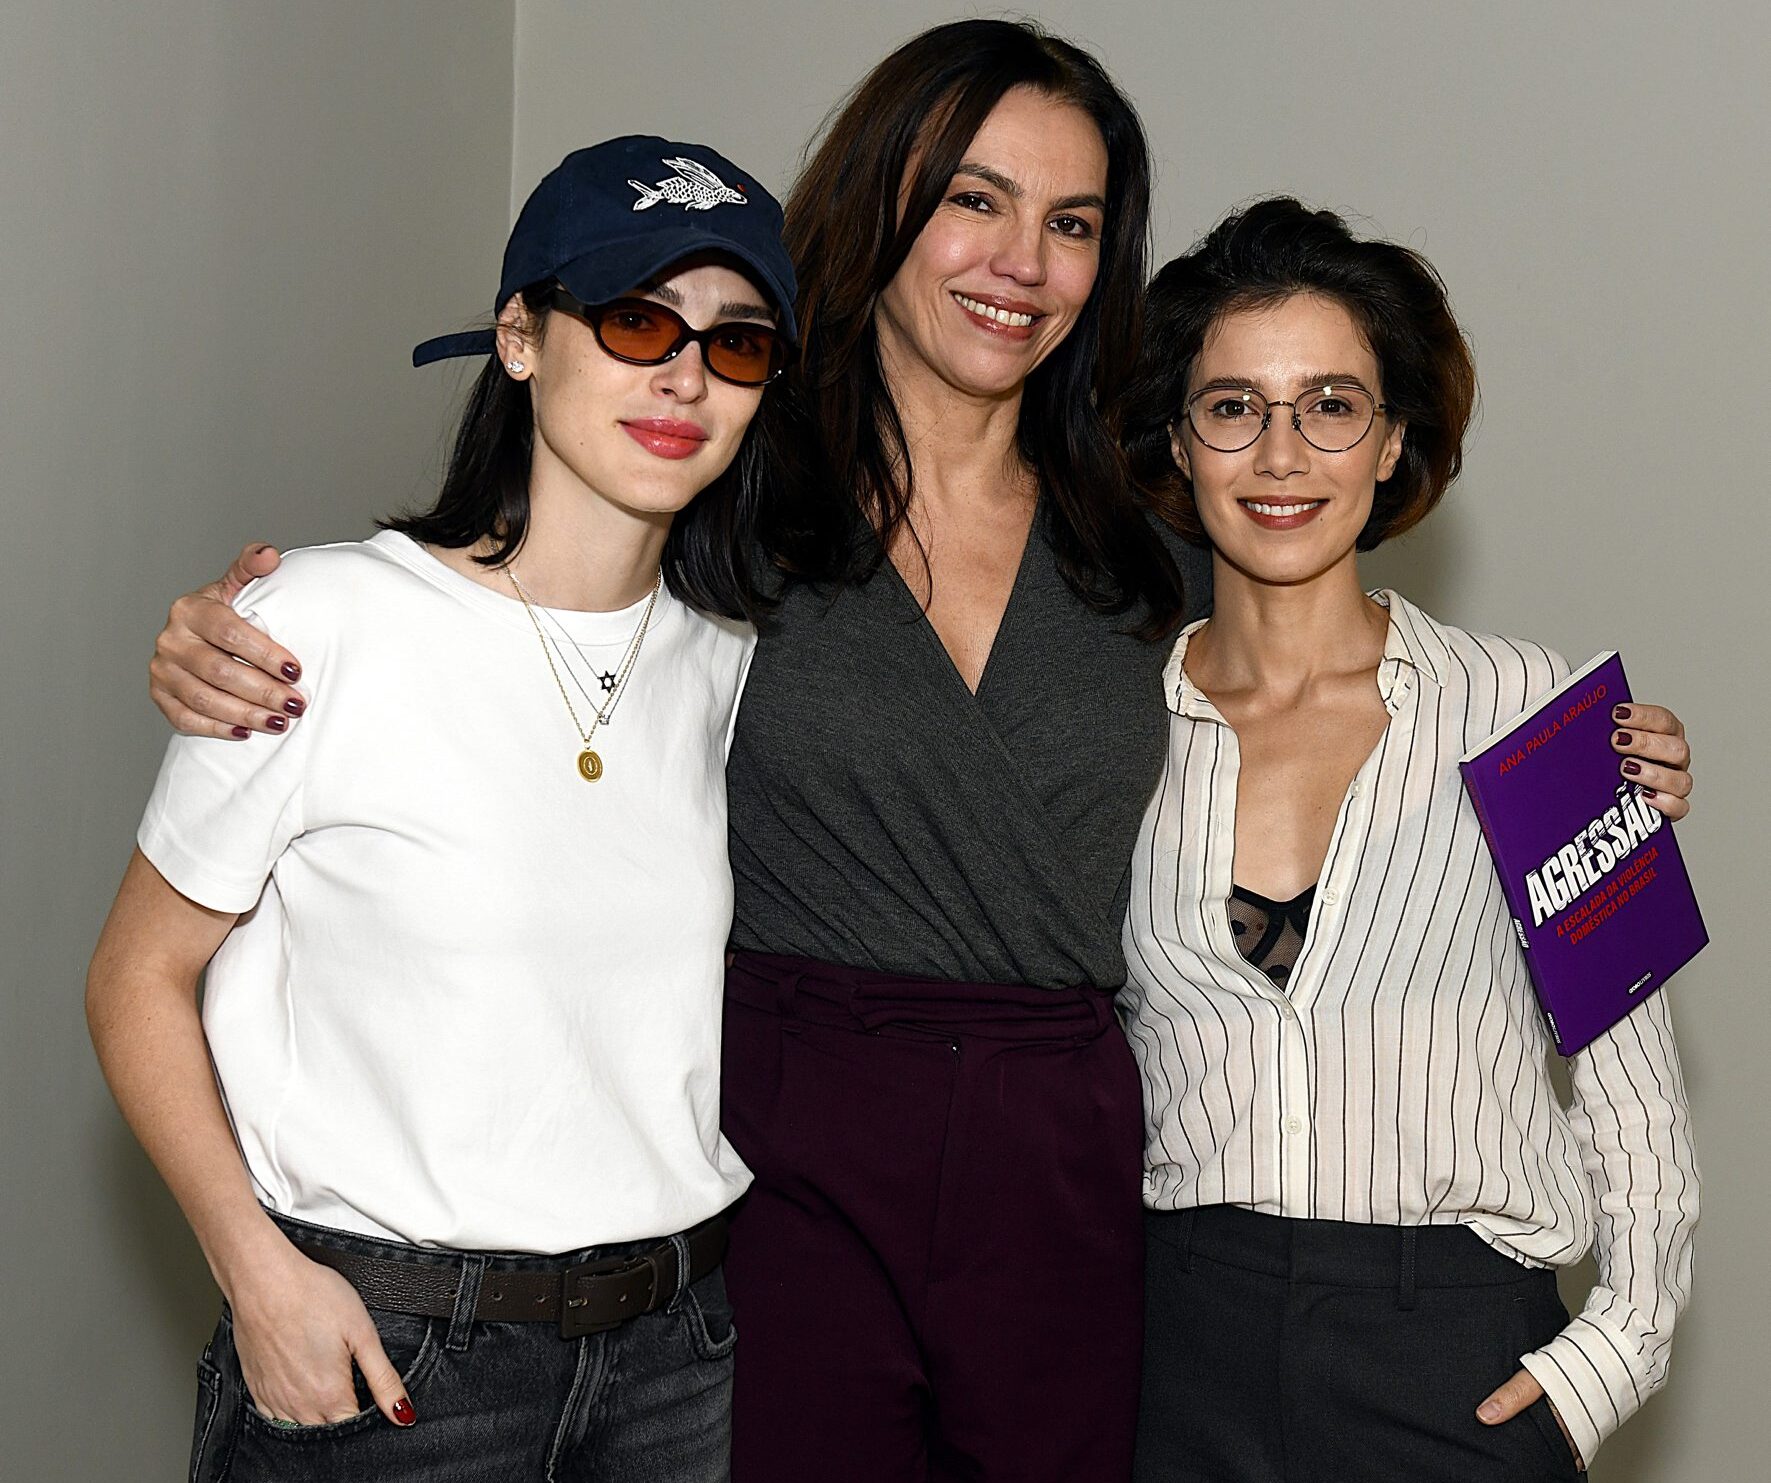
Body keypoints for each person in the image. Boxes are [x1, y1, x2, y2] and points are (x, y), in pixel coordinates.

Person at [133, 21, 1696, 1483]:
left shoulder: (1160, 560)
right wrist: (230, 630)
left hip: (1085, 1174)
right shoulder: (728, 486)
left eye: (1073, 223)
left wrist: (1599, 772)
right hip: (791, 1147)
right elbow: (510, 599)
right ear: (884, 201)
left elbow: (1365, 732)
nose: (1022, 262)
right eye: (974, 199)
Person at [88, 134, 798, 1482]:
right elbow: (135, 976)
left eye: (737, 343)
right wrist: (256, 1271)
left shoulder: (731, 662)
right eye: (637, 318)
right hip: (391, 1349)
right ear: (520, 338)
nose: (684, 377)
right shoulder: (323, 619)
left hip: (666, 1361)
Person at [1115, 198, 1698, 1481]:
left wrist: (1603, 1364)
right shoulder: (1104, 728)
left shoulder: (1543, 717)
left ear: (1389, 446)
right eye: (1233, 407)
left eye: (1330, 404)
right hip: (1173, 1355)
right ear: (1179, 439)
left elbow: (1634, 1094)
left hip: (1453, 1358)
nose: (1281, 454)